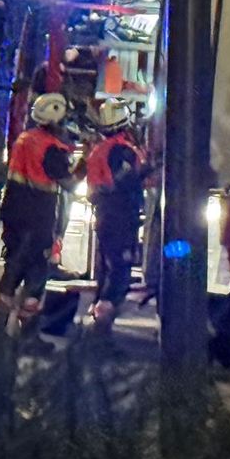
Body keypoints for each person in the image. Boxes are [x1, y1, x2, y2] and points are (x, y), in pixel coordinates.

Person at [0, 92, 78, 334]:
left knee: (12, 269)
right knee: (36, 274)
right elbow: (68, 183)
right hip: (37, 217)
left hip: (13, 214)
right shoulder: (52, 148)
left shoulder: (25, 138)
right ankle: (29, 336)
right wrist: (82, 167)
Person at [85, 98, 147, 332]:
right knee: (120, 273)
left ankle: (99, 327)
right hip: (119, 216)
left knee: (107, 270)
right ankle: (100, 330)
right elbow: (125, 180)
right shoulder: (121, 150)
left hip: (105, 215)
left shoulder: (101, 149)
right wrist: (148, 170)